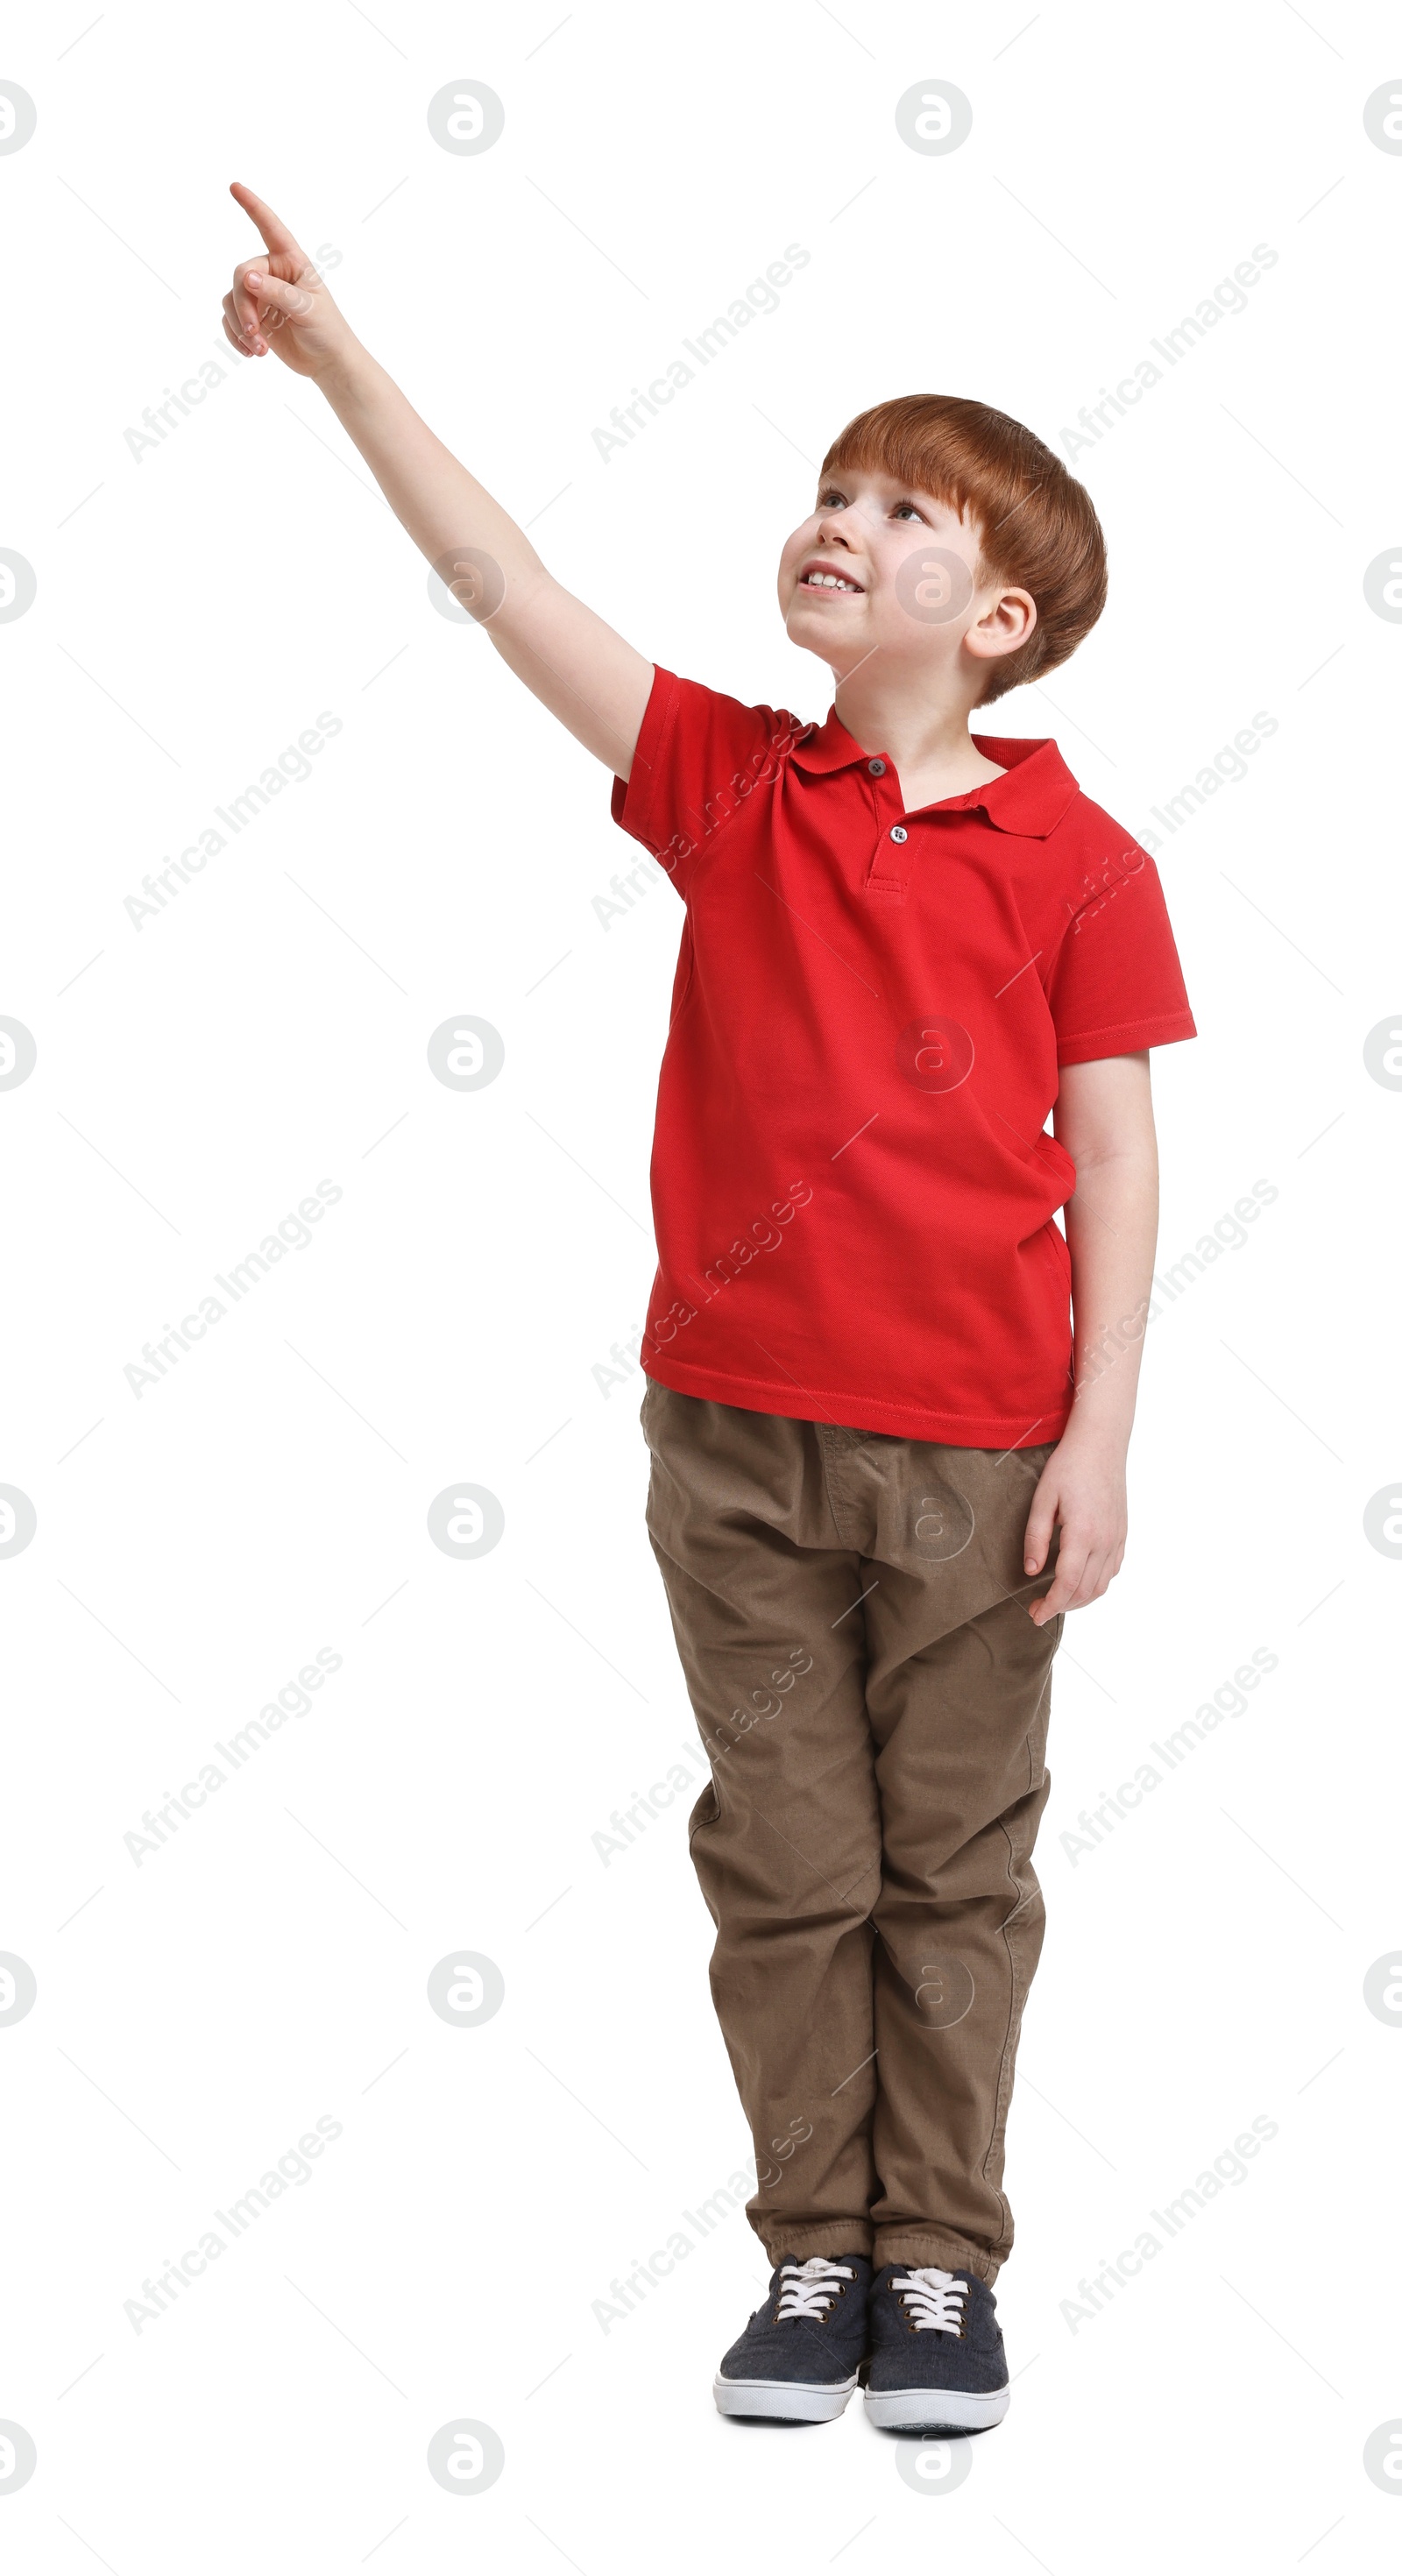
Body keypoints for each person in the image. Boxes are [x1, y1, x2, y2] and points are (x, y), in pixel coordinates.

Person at [219, 181, 1196, 2435]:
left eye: (899, 509)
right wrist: (346, 366)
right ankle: (810, 2254)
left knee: (954, 1865)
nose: (836, 521)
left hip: (979, 1453)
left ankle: (936, 2265)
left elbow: (1122, 1159)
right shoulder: (733, 787)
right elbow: (504, 592)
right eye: (827, 490)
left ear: (1004, 612)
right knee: (786, 1858)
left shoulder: (1081, 863)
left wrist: (1098, 1441)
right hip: (733, 1438)